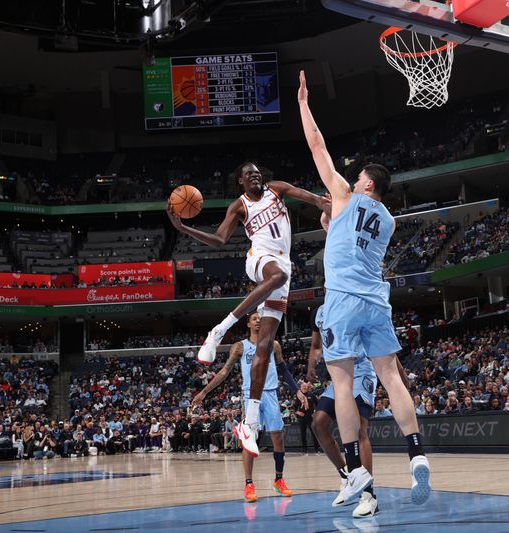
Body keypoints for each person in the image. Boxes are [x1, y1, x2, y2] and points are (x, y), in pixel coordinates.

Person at [298, 69, 430, 507]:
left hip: (342, 301)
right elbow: (352, 239)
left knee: (341, 385)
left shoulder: (344, 195)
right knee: (391, 377)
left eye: (358, 179)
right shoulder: (389, 221)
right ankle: (417, 456)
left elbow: (318, 146)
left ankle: (354, 470)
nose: (351, 181)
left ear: (367, 184)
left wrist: (303, 104)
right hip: (377, 300)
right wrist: (333, 223)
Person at [167, 162, 328, 457]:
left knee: (265, 347)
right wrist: (184, 228)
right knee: (275, 276)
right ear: (240, 181)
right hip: (259, 258)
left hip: (284, 264)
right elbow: (219, 239)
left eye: (257, 172)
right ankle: (219, 330)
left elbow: (311, 197)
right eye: (248, 174)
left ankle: (250, 423)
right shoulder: (239, 206)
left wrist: (327, 203)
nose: (255, 175)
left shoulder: (276, 189)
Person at [192, 311, 307, 502]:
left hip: (270, 393)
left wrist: (297, 390)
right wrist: (204, 392)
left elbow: (284, 370)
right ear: (248, 324)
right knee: (249, 439)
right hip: (249, 395)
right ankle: (249, 484)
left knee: (278, 437)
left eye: (260, 319)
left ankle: (279, 480)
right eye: (254, 319)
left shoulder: (273, 344)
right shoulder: (239, 347)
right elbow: (224, 372)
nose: (258, 321)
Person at [307, 304, 409, 518]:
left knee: (359, 430)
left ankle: (369, 497)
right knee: (318, 423)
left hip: (363, 370)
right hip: (340, 374)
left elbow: (382, 344)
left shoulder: (356, 302)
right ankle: (347, 474)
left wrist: (400, 376)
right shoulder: (319, 312)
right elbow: (316, 344)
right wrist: (311, 364)